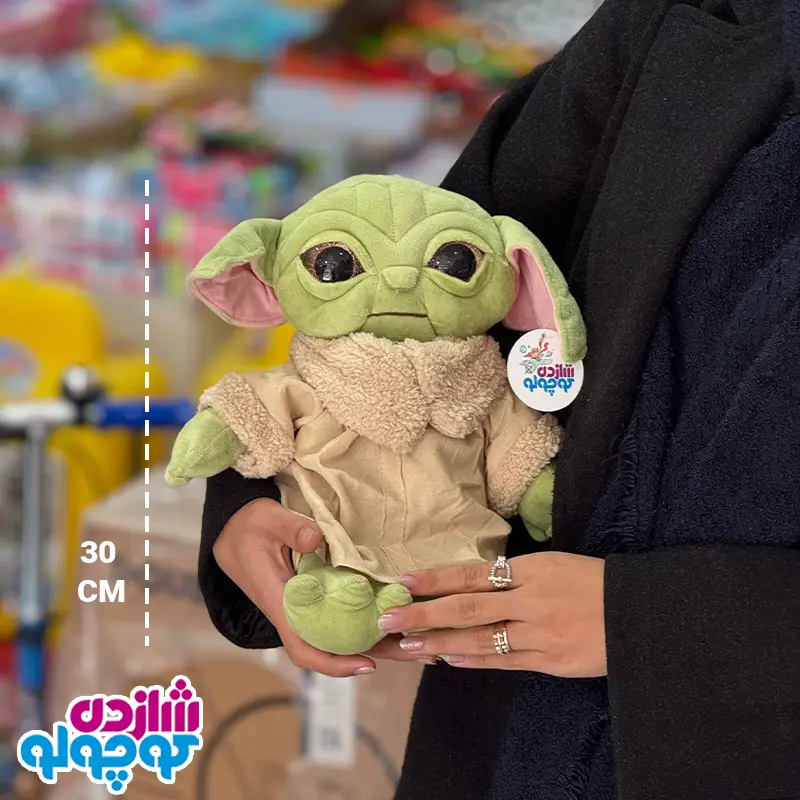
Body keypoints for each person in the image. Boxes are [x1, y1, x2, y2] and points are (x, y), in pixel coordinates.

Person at [196, 0, 800, 797]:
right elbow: (432, 276)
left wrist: (662, 625)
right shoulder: (699, 19)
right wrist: (260, 489)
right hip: (509, 730)